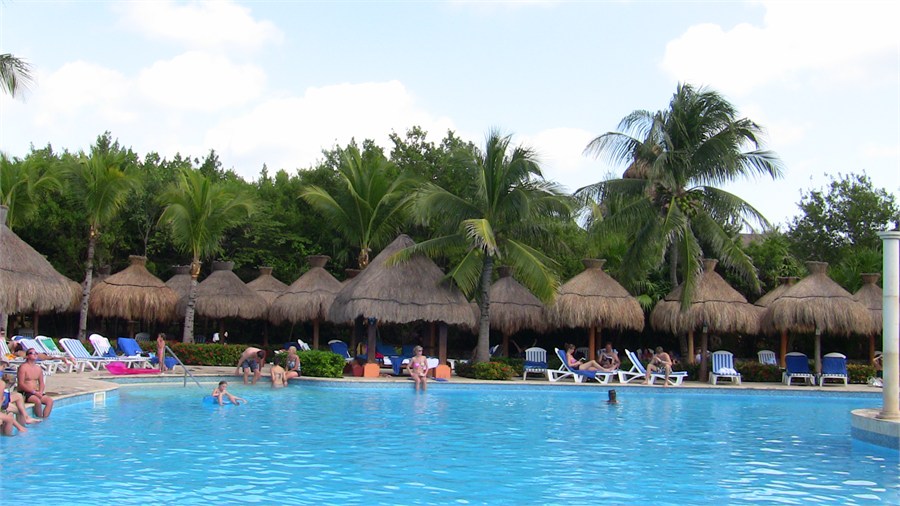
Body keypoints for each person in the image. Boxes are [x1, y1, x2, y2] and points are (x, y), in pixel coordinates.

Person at [16, 348, 54, 418]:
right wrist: (34, 392)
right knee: (37, 401)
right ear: (27, 356)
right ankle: (39, 419)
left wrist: (40, 392)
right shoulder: (23, 367)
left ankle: (44, 419)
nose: (35, 354)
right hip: (25, 392)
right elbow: (21, 384)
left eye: (36, 353)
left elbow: (41, 383)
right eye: (32, 353)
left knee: (50, 401)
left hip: (36, 392)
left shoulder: (38, 368)